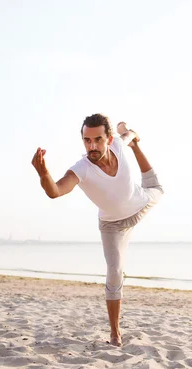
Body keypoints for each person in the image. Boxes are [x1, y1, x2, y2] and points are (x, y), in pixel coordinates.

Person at [31, 113, 163, 346]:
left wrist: (132, 136)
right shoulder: (81, 169)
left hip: (140, 204)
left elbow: (127, 136)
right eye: (87, 140)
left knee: (157, 187)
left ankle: (134, 143)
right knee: (114, 272)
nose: (92, 146)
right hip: (112, 225)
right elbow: (55, 191)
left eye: (98, 140)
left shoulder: (119, 144)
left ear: (108, 139)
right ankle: (115, 332)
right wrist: (43, 173)